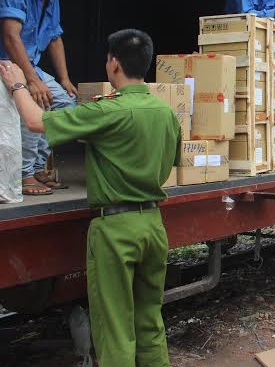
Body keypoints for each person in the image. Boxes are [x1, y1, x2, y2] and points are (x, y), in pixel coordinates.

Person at [0, 29, 181, 367]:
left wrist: (18, 83)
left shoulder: (106, 112)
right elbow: (170, 160)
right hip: (154, 225)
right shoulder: (165, 113)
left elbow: (35, 121)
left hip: (115, 229)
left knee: (114, 328)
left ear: (113, 64)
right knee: (150, 322)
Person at [0, 0, 77, 196]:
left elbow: (55, 37)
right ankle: (25, 174)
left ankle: (37, 166)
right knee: (35, 103)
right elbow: (11, 38)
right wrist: (32, 81)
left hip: (28, 65)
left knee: (65, 103)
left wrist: (64, 79)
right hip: (6, 63)